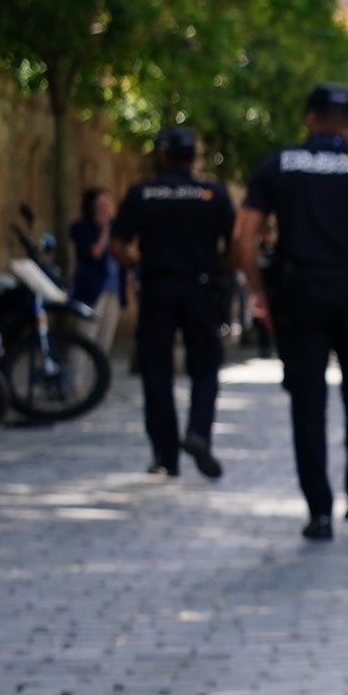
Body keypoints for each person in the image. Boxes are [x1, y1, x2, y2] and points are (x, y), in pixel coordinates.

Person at [234, 84, 348, 539]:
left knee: (307, 402)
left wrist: (257, 289)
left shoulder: (279, 166)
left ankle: (318, 510)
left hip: (299, 297)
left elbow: (244, 234)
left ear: (309, 118)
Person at [111, 127, 237, 480]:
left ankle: (166, 454)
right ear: (194, 157)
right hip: (200, 288)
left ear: (162, 156)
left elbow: (118, 246)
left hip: (157, 289)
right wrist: (220, 271)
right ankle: (198, 432)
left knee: (157, 372)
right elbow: (237, 242)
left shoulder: (143, 193)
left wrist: (138, 265)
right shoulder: (212, 193)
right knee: (206, 367)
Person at [69, 188, 126, 358]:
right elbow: (94, 253)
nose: (105, 208)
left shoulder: (117, 227)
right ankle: (76, 383)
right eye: (101, 204)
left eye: (107, 203)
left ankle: (99, 380)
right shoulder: (81, 228)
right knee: (86, 338)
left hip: (114, 290)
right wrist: (104, 232)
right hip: (92, 290)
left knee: (105, 340)